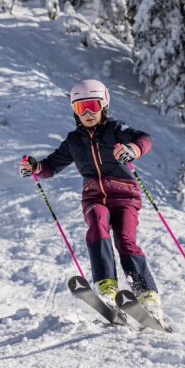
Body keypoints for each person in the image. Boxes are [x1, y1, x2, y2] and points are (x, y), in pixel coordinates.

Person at [19, 79, 165, 325]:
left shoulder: (116, 129)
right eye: (80, 108)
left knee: (126, 240)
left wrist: (133, 149)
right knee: (97, 228)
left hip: (125, 194)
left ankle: (147, 295)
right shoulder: (74, 141)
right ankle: (107, 288)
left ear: (103, 106)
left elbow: (144, 138)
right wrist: (35, 167)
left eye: (92, 106)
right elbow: (51, 166)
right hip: (94, 196)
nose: (87, 113)